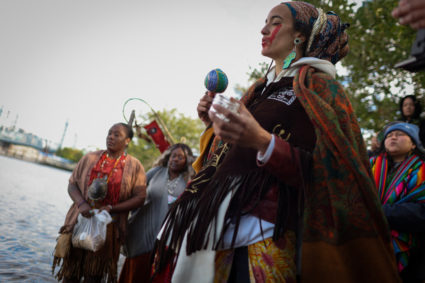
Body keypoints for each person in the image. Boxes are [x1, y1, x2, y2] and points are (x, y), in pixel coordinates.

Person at [152, 2, 400, 282]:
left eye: (275, 22)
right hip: (218, 225)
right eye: (265, 21)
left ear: (301, 36)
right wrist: (213, 125)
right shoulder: (257, 90)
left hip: (269, 230)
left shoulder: (322, 88)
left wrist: (263, 142)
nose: (264, 28)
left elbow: (331, 173)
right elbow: (225, 157)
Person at [52, 123, 146, 283]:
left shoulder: (135, 166)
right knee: (70, 273)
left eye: (117, 135)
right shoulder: (90, 158)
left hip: (108, 226)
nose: (111, 137)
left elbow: (140, 198)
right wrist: (81, 203)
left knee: (93, 275)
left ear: (127, 140)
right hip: (80, 220)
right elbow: (72, 184)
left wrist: (112, 208)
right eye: (109, 133)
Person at [118, 143, 194, 283]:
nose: (175, 159)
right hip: (142, 232)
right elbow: (134, 192)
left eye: (180, 157)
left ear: (187, 161)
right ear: (168, 157)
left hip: (167, 239)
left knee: (156, 275)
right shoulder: (156, 172)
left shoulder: (188, 182)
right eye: (173, 156)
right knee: (134, 273)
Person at [370, 122, 425, 282]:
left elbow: (421, 212)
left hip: (409, 251)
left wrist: (380, 212)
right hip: (365, 244)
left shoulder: (422, 171)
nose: (393, 137)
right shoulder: (368, 166)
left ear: (413, 144)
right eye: (389, 135)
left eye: (400, 134)